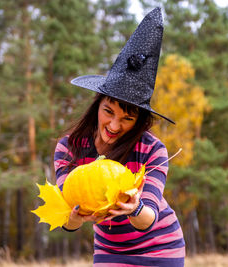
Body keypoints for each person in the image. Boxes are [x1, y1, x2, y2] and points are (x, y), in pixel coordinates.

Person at [54, 7, 185, 266]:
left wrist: (134, 209)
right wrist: (75, 218)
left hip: (160, 248)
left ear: (139, 122)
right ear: (96, 106)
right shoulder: (69, 147)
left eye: (128, 118)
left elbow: (148, 219)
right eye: (108, 111)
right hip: (109, 250)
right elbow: (65, 217)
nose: (114, 125)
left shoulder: (152, 150)